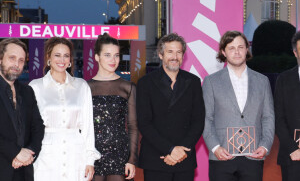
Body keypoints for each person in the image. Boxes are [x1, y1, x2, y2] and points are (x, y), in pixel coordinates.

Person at [202, 30, 274, 181]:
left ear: (247, 50)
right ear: (223, 52)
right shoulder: (211, 82)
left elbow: (268, 117)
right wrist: (215, 147)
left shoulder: (262, 81)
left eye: (240, 47)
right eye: (231, 48)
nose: (237, 52)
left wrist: (265, 146)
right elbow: (206, 118)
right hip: (221, 157)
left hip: (253, 157)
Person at [136, 33, 205, 181]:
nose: (175, 56)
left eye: (179, 52)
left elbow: (198, 121)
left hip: (184, 158)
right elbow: (144, 123)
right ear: (161, 55)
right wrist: (170, 149)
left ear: (183, 55)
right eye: (170, 52)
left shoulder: (193, 82)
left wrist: (180, 151)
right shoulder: (145, 83)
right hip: (156, 158)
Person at [29, 37, 100, 181]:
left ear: (70, 60)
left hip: (76, 155)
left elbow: (87, 127)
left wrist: (89, 160)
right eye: (57, 55)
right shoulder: (35, 86)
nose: (62, 60)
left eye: (66, 55)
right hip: (45, 155)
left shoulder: (81, 86)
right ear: (48, 58)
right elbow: (29, 125)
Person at [87, 33, 138, 181]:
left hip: (120, 155)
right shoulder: (85, 87)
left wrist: (131, 159)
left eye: (116, 55)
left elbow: (133, 126)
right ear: (97, 57)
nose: (113, 60)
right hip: (92, 155)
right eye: (108, 55)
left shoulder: (127, 87)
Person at [0, 38, 44, 181]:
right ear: (0, 59)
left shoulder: (27, 91)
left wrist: (30, 153)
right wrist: (15, 153)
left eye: (21, 60)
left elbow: (38, 127)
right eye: (12, 58)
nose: (16, 64)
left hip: (24, 171)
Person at [275, 31, 300, 181]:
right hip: (292, 156)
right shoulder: (284, 79)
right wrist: (293, 149)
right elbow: (278, 118)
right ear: (295, 53)